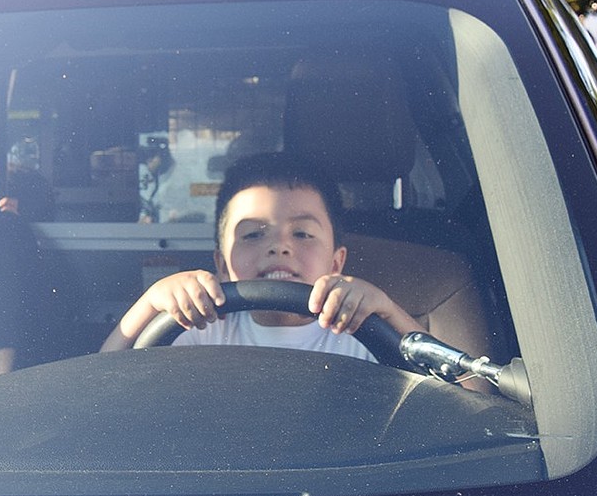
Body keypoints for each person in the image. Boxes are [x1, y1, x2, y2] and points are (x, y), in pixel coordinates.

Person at [101, 151, 422, 359]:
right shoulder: (203, 332)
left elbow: (461, 399)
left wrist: (388, 313)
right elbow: (103, 387)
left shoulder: (362, 334)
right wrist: (151, 303)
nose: (279, 247)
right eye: (253, 234)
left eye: (302, 234)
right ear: (221, 265)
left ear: (336, 262)